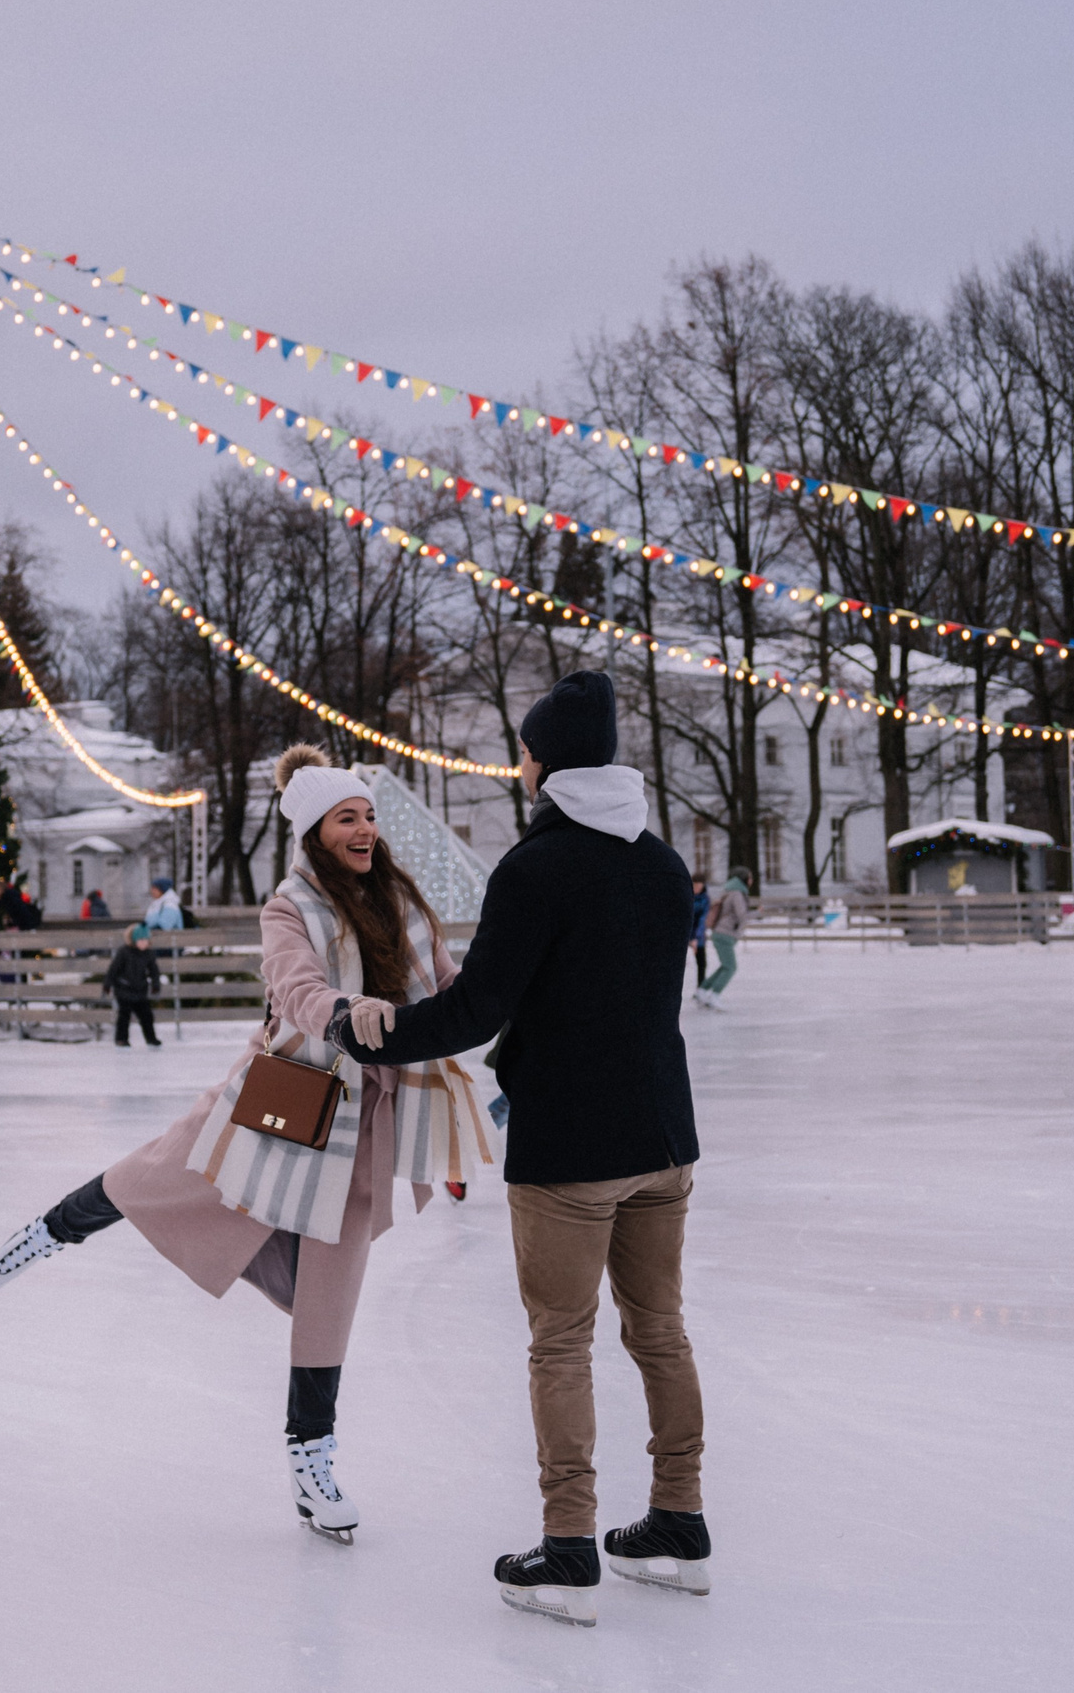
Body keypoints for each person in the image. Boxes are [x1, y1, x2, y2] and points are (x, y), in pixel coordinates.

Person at [0, 744, 490, 1547]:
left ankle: (311, 1460)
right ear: (315, 832)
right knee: (158, 1174)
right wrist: (344, 1013)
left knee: (333, 1287)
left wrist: (504, 997)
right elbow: (295, 985)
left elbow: (450, 984)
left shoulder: (402, 900)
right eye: (346, 818)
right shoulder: (291, 905)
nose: (364, 829)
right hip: (287, 1089)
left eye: (368, 816)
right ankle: (47, 1232)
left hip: (368, 1119)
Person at [338, 668, 708, 1627]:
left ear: (546, 761)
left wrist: (371, 1030)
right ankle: (679, 1520)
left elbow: (476, 1008)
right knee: (660, 1330)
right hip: (663, 1137)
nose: (521, 765)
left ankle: (570, 1545)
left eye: (526, 751)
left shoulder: (536, 868)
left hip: (571, 1148)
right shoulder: (663, 866)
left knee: (561, 1341)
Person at [694, 873, 747, 1010]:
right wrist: (738, 933)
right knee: (730, 967)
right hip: (725, 934)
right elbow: (741, 915)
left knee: (725, 966)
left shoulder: (727, 892)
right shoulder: (737, 894)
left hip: (720, 932)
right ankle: (715, 994)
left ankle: (702, 990)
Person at [107, 924, 163, 1048]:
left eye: (145, 940)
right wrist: (108, 984)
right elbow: (113, 969)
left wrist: (156, 985)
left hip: (140, 990)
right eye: (140, 940)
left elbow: (154, 971)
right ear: (134, 940)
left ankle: (151, 1038)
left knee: (146, 1015)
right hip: (124, 989)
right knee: (124, 1015)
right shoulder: (124, 952)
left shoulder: (148, 954)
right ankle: (121, 1039)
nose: (143, 943)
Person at [688, 877, 710, 988]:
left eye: (699, 886)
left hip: (698, 935)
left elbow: (702, 920)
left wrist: (696, 937)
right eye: (695, 886)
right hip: (684, 932)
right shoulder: (687, 896)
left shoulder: (704, 899)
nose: (697, 888)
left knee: (701, 963)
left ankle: (700, 987)